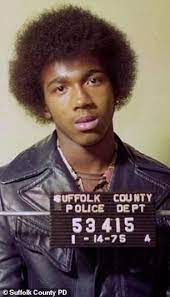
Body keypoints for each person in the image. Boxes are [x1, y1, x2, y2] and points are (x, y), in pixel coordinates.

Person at [0, 5, 169, 297]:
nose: (82, 100)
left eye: (93, 80)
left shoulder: (164, 185)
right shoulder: (7, 190)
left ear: (116, 87)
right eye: (60, 88)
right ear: (42, 104)